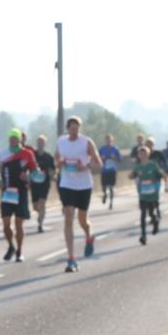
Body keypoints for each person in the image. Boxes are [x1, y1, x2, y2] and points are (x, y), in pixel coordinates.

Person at [55, 116, 103, 272]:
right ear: (68, 128)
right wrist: (60, 163)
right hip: (67, 184)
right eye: (72, 128)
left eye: (77, 128)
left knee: (83, 220)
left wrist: (86, 166)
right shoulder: (61, 142)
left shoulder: (86, 142)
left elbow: (98, 164)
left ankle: (89, 236)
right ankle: (71, 259)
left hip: (83, 186)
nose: (75, 131)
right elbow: (56, 161)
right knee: (68, 217)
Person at [0, 129, 38, 261]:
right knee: (6, 224)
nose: (13, 140)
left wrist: (28, 176)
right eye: (11, 138)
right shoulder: (3, 154)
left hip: (21, 192)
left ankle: (19, 251)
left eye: (16, 137)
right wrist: (0, 182)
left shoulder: (27, 154)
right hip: (7, 192)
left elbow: (35, 171)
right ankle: (11, 245)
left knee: (19, 224)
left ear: (20, 139)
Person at [129, 145, 165, 245]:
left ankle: (155, 222)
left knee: (151, 213)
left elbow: (160, 175)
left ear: (148, 154)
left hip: (152, 194)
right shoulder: (137, 166)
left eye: (144, 153)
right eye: (140, 154)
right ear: (138, 155)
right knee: (142, 215)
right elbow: (132, 175)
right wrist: (131, 175)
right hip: (143, 195)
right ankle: (143, 236)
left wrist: (161, 175)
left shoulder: (152, 165)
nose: (142, 155)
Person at [30, 134, 56, 232]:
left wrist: (52, 175)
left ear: (45, 144)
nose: (40, 144)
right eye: (39, 142)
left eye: (42, 142)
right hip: (34, 183)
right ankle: (41, 213)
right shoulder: (32, 155)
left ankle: (40, 224)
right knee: (35, 206)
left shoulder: (48, 157)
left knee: (42, 203)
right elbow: (28, 166)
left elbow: (53, 170)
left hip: (45, 183)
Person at [145, 138, 166, 221]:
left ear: (153, 145)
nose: (149, 145)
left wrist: (162, 170)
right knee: (148, 198)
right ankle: (151, 214)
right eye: (147, 144)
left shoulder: (158, 153)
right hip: (146, 179)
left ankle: (157, 210)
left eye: (150, 144)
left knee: (155, 196)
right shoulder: (144, 155)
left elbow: (164, 163)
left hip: (156, 178)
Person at [98, 134, 121, 209]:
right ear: (105, 141)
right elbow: (97, 158)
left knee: (111, 187)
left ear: (112, 141)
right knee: (104, 186)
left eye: (110, 140)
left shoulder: (115, 149)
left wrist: (114, 158)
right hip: (104, 170)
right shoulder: (102, 149)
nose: (108, 142)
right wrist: (102, 159)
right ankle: (104, 194)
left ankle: (111, 202)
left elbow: (120, 159)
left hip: (112, 170)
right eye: (107, 140)